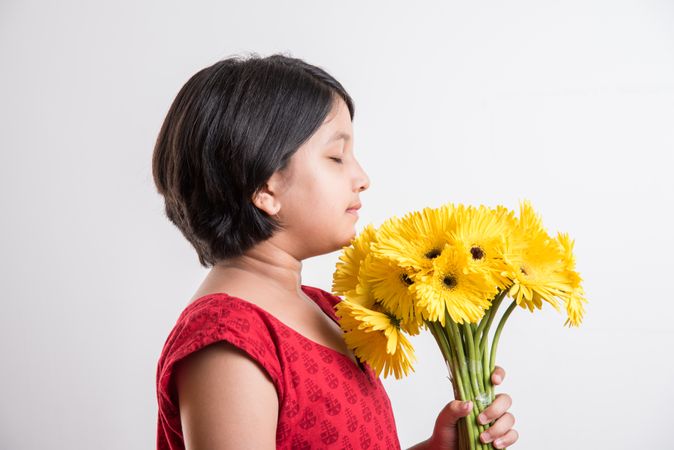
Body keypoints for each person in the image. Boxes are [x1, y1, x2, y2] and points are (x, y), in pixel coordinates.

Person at [152, 52, 518, 450]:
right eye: (335, 157)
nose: (361, 178)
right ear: (265, 188)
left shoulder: (322, 308)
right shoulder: (226, 342)